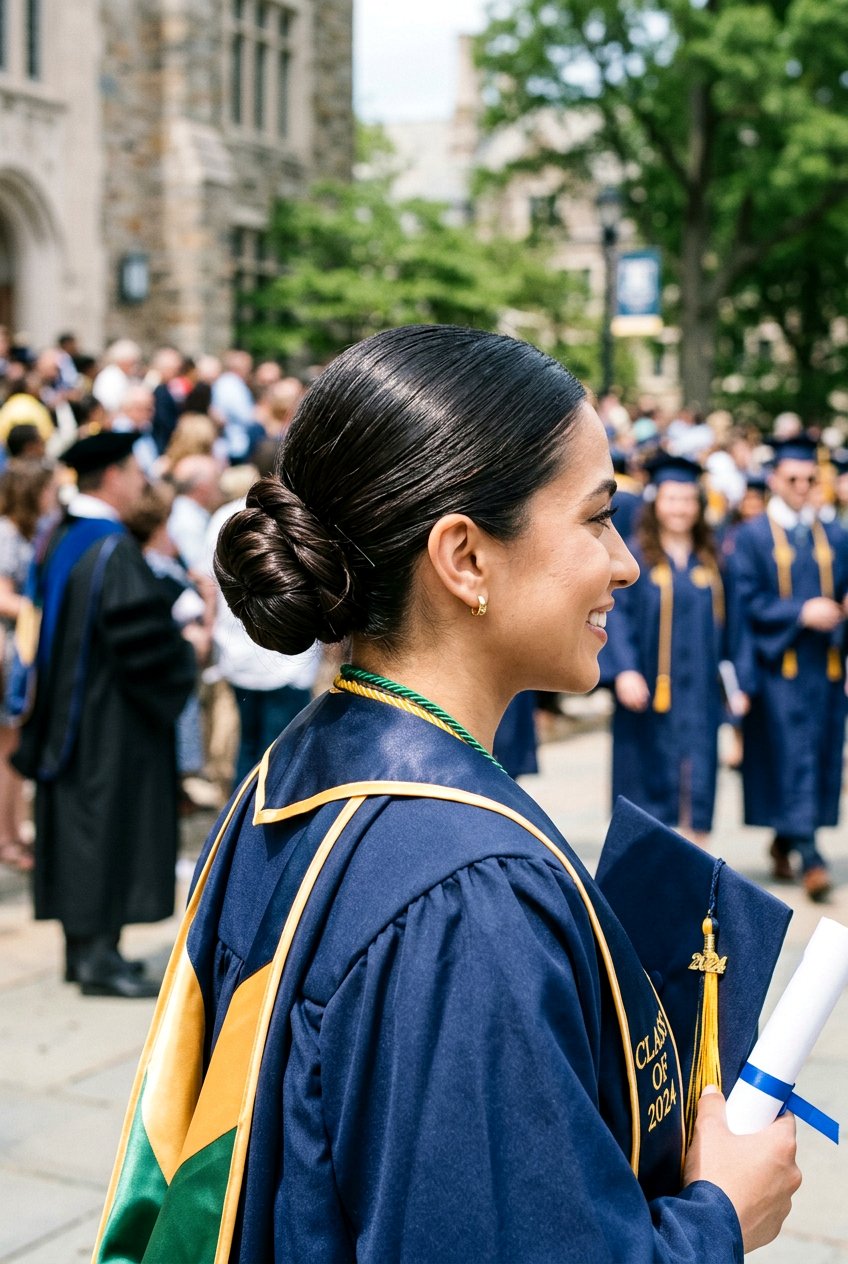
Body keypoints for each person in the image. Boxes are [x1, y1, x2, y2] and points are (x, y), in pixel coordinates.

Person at [95, 328, 800, 1262]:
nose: (624, 563)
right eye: (595, 519)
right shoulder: (468, 899)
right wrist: (721, 1217)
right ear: (465, 557)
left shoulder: (298, 767)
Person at [13, 432, 196, 996]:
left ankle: (83, 951)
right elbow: (141, 641)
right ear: (112, 476)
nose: (142, 481)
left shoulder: (63, 536)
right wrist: (186, 652)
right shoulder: (111, 547)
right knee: (106, 828)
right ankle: (99, 959)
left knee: (80, 829)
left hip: (69, 717)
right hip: (110, 723)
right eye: (134, 471)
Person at [726, 434, 848, 900]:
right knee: (791, 757)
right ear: (775, 478)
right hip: (780, 672)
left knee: (817, 758)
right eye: (792, 478)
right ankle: (811, 856)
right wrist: (801, 612)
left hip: (826, 672)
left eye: (809, 478)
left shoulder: (834, 534)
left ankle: (785, 839)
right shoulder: (753, 537)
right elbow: (748, 604)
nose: (801, 486)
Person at [601, 456, 741, 844]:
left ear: (698, 506)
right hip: (647, 690)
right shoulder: (633, 556)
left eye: (687, 500)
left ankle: (694, 874)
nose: (680, 508)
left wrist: (736, 682)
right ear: (655, 502)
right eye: (671, 498)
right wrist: (625, 670)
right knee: (646, 778)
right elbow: (617, 616)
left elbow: (734, 625)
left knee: (698, 777)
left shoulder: (712, 560)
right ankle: (642, 870)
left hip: (699, 694)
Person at [0, 459, 56, 870]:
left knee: (13, 750)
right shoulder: (5, 534)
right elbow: (3, 596)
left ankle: (16, 831)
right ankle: (6, 839)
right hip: (6, 652)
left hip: (21, 650)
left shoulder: (31, 531)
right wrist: (46, 608)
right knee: (6, 751)